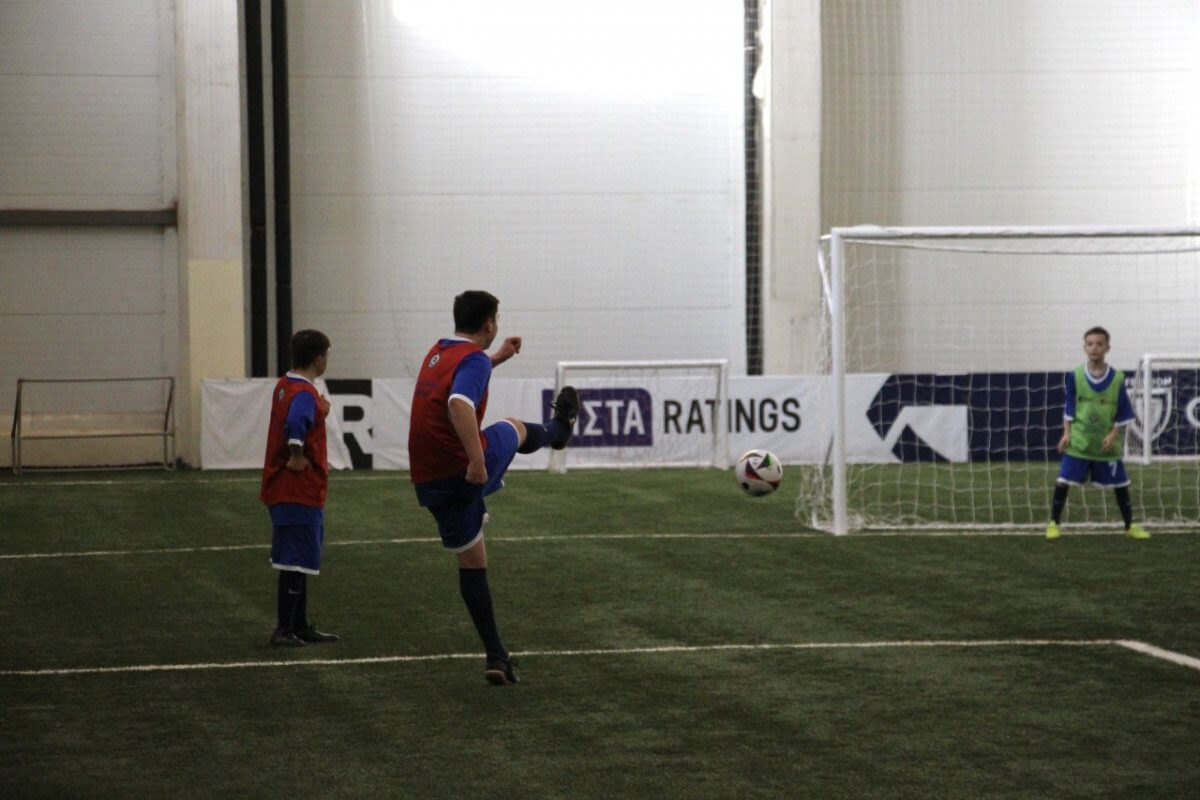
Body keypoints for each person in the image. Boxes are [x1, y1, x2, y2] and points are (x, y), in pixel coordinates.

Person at [408, 290, 579, 685]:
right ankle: (560, 430)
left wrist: (497, 358)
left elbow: (459, 379)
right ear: (489, 323)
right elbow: (459, 403)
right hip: (460, 467)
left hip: (430, 478)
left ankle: (496, 657)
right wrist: (476, 460)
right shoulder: (471, 360)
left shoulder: (438, 352)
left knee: (472, 559)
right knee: (514, 428)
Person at [261, 329, 342, 646]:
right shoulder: (304, 394)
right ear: (319, 360)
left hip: (284, 488)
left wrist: (318, 409)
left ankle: (299, 625)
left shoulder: (285, 385)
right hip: (296, 488)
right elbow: (296, 425)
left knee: (300, 557)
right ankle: (284, 629)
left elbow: (298, 414)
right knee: (294, 559)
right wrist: (296, 455)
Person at [1046, 326, 1150, 540]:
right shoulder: (1075, 375)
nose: (1094, 348)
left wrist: (1113, 435)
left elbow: (1123, 412)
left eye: (1099, 344)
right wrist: (1066, 433)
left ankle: (1129, 526)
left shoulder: (1117, 378)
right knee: (1063, 480)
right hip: (1079, 442)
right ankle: (1054, 522)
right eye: (1090, 344)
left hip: (1105, 445)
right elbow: (1070, 407)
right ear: (1084, 348)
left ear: (1107, 348)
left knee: (1121, 485)